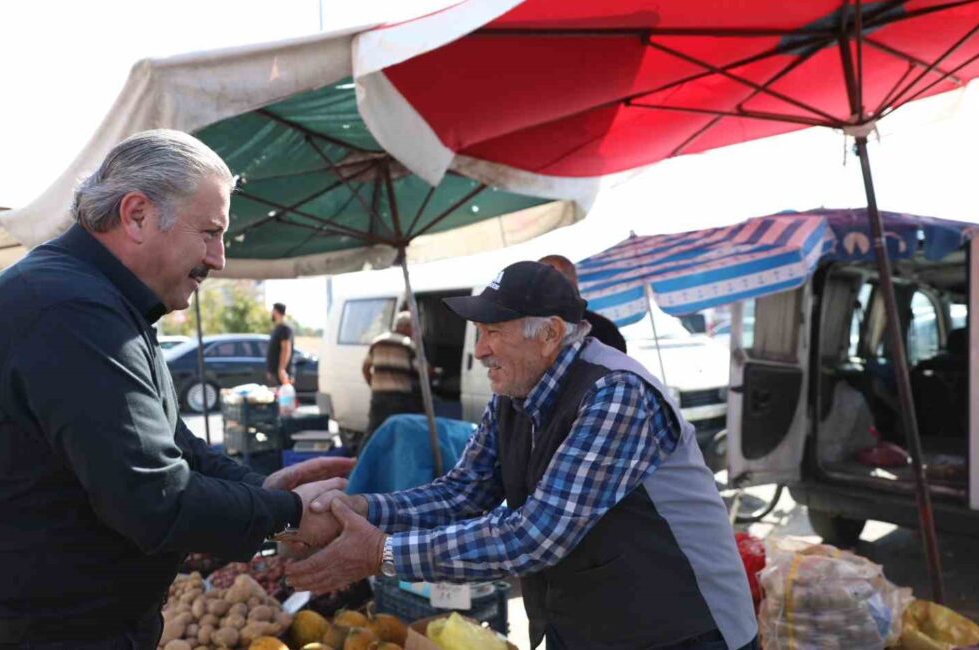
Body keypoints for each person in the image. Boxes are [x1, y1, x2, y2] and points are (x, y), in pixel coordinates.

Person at [0, 129, 353, 648]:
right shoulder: (67, 309)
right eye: (210, 233)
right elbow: (155, 500)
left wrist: (263, 490)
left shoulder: (97, 302)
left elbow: (174, 448)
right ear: (137, 215)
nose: (218, 259)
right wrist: (293, 517)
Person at [286, 261, 757, 650]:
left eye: (493, 331)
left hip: (685, 631)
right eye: (479, 331)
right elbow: (463, 492)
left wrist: (380, 553)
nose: (481, 350)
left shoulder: (617, 393)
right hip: (590, 627)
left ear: (550, 334)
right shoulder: (514, 393)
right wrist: (359, 508)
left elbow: (533, 536)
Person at [538, 254, 627, 353]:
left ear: (572, 282)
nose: (543, 287)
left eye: (551, 280)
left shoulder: (604, 329)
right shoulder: (530, 328)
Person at [361, 311, 424, 443]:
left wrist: (374, 385)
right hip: (400, 397)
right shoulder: (408, 344)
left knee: (373, 430)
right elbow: (422, 371)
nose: (414, 331)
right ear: (406, 327)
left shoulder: (377, 341)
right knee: (401, 432)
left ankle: (362, 460)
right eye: (413, 327)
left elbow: (365, 368)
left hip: (379, 395)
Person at [266, 302, 293, 387]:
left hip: (280, 374)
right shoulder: (277, 328)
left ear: (276, 312)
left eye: (273, 311)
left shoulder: (284, 329)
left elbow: (286, 349)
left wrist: (281, 369)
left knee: (283, 398)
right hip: (274, 373)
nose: (271, 313)